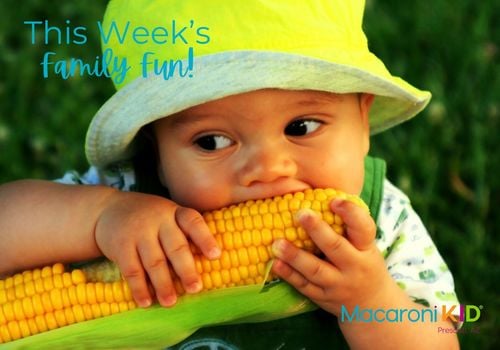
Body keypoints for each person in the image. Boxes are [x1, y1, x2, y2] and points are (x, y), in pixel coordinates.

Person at [0, 0, 460, 348]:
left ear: (363, 124)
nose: (266, 169)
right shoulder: (130, 197)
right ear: (155, 150)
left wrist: (372, 299)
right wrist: (99, 217)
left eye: (300, 128)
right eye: (212, 142)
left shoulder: (386, 222)